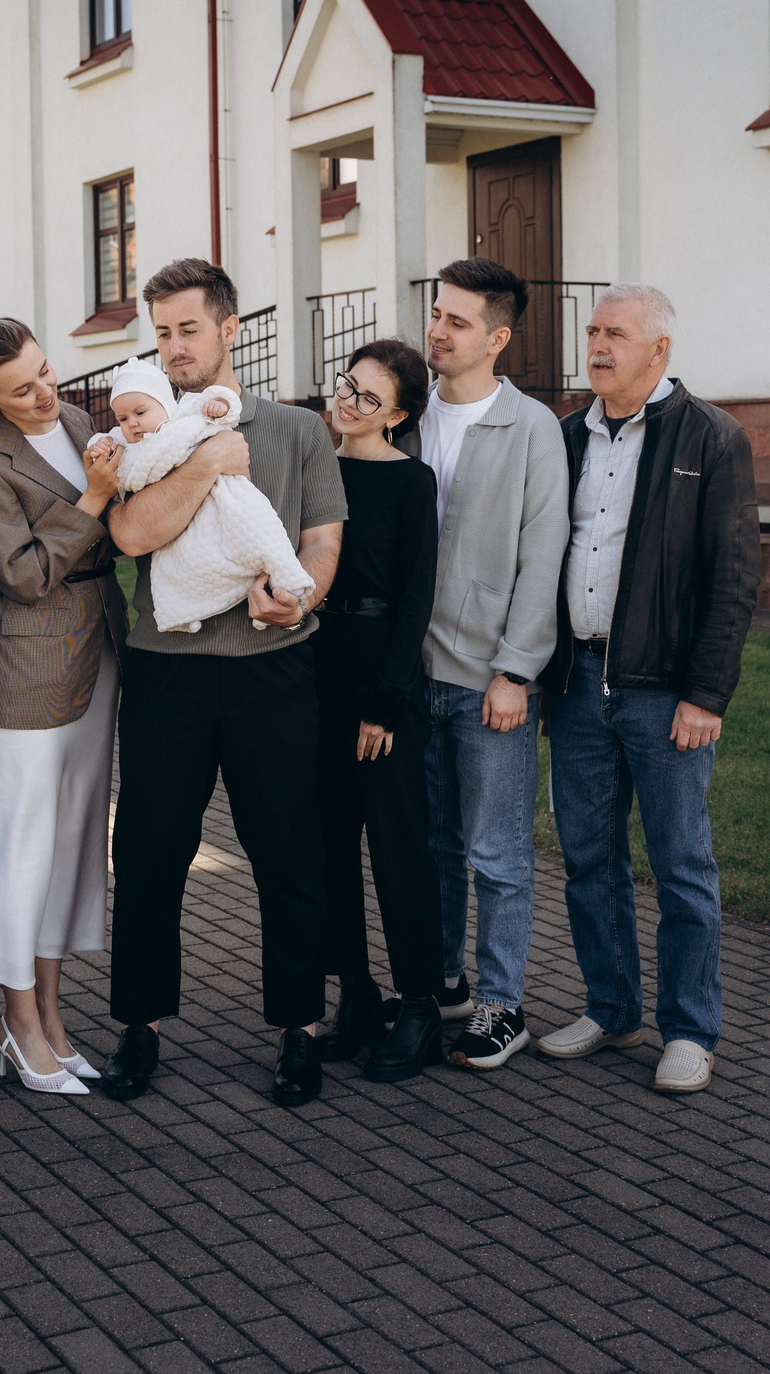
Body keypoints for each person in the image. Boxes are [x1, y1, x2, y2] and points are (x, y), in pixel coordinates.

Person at [99, 258, 347, 1108]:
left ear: (230, 327)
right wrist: (207, 462)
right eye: (161, 332)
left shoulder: (298, 430)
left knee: (288, 849)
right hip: (167, 671)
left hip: (274, 668)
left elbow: (322, 540)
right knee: (148, 851)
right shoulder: (145, 430)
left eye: (188, 329)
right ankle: (140, 1027)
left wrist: (297, 595)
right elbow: (131, 533)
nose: (172, 348)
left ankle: (298, 1030)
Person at [535, 286, 759, 1094]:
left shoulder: (713, 437)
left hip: (665, 695)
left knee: (680, 864)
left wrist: (707, 695)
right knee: (589, 858)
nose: (597, 345)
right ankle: (612, 1005)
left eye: (614, 333)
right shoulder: (564, 436)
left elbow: (733, 580)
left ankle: (691, 1029)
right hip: (577, 687)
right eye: (592, 330)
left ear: (658, 350)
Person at [0, 319, 126, 1097]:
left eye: (47, 372)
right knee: (24, 845)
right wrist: (93, 495)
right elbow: (21, 574)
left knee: (74, 838)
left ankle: (51, 1015)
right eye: (23, 388)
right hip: (25, 664)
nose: (47, 392)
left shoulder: (80, 420)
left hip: (99, 650)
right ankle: (17, 1022)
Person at [417, 258, 571, 1071]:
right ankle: (444, 980)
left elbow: (543, 555)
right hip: (416, 676)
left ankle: (502, 1003)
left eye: (457, 321)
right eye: (435, 314)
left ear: (498, 337)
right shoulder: (408, 414)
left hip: (489, 682)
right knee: (433, 843)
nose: (437, 330)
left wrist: (516, 670)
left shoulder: (531, 427)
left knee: (498, 850)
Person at [312, 340, 447, 1082]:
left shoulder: (411, 482)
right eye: (346, 385)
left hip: (379, 679)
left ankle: (419, 1004)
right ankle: (355, 994)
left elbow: (415, 598)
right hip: (317, 672)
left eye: (368, 397)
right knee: (329, 843)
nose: (349, 401)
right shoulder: (316, 467)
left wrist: (387, 704)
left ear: (395, 415)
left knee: (398, 848)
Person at [89, 358, 313, 631]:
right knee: (181, 561)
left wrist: (218, 406)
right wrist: (101, 445)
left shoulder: (183, 415)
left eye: (140, 412)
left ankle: (284, 578)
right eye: (123, 418)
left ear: (164, 404)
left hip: (217, 497)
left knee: (254, 525)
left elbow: (222, 405)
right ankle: (187, 609)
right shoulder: (125, 442)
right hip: (171, 511)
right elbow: (104, 442)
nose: (132, 424)